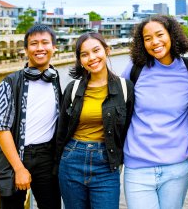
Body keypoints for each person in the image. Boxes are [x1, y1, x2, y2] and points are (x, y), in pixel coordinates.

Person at [121, 15, 188, 209]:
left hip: (177, 168)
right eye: (147, 38)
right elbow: (114, 101)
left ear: (171, 35)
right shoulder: (135, 69)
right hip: (138, 167)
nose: (154, 42)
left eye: (159, 35)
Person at [0, 24, 61, 209]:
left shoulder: (55, 79)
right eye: (34, 44)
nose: (40, 48)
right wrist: (19, 168)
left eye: (45, 43)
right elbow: (0, 127)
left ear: (54, 48)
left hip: (47, 157)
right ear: (26, 50)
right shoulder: (11, 81)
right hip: (17, 157)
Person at [56, 32, 134, 208]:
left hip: (106, 164)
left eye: (96, 50)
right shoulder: (73, 88)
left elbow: (127, 126)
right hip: (71, 160)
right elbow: (61, 131)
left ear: (107, 51)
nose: (91, 58)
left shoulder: (124, 88)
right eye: (84, 54)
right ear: (80, 60)